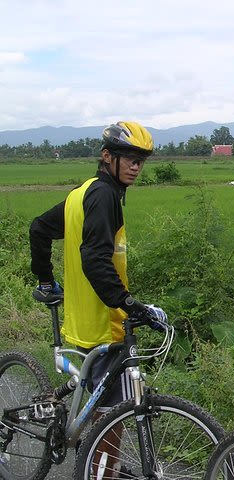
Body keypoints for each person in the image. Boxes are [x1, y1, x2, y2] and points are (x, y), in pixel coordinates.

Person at [29, 121, 166, 415]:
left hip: (82, 324)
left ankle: (91, 458)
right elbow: (95, 259)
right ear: (107, 156)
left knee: (100, 408)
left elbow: (38, 228)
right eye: (130, 159)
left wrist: (45, 281)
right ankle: (100, 463)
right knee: (116, 415)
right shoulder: (104, 196)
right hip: (107, 327)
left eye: (140, 161)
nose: (136, 167)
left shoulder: (80, 194)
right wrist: (130, 305)